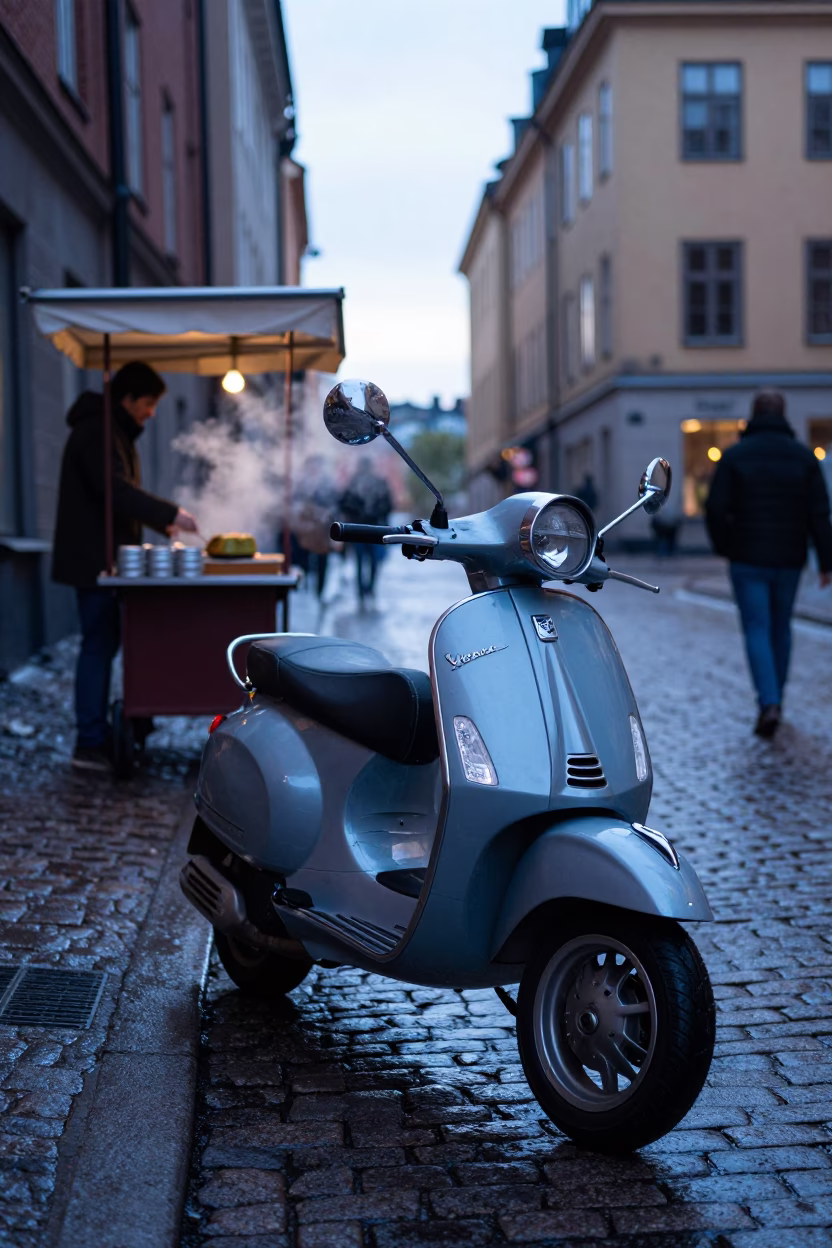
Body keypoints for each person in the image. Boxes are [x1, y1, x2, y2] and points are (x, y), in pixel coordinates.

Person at [52, 361, 198, 771]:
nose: (151, 413)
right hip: (94, 562)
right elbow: (116, 491)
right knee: (98, 645)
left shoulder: (111, 430)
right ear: (128, 398)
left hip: (105, 561)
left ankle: (123, 722)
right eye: (148, 403)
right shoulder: (97, 430)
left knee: (108, 642)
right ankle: (90, 742)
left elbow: (120, 492)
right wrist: (171, 515)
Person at [706, 391, 832, 738]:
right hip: (790, 557)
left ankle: (769, 701)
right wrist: (825, 560)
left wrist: (725, 546)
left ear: (753, 415)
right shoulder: (804, 458)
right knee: (781, 627)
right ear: (784, 415)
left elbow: (715, 508)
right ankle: (778, 698)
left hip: (747, 557)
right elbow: (820, 513)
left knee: (757, 628)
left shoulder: (734, 456)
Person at [338, 459, 393, 603]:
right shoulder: (354, 483)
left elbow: (388, 505)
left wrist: (375, 514)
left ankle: (370, 588)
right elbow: (344, 504)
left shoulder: (379, 483)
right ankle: (362, 590)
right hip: (359, 529)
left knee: (373, 561)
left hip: (375, 528)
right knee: (360, 561)